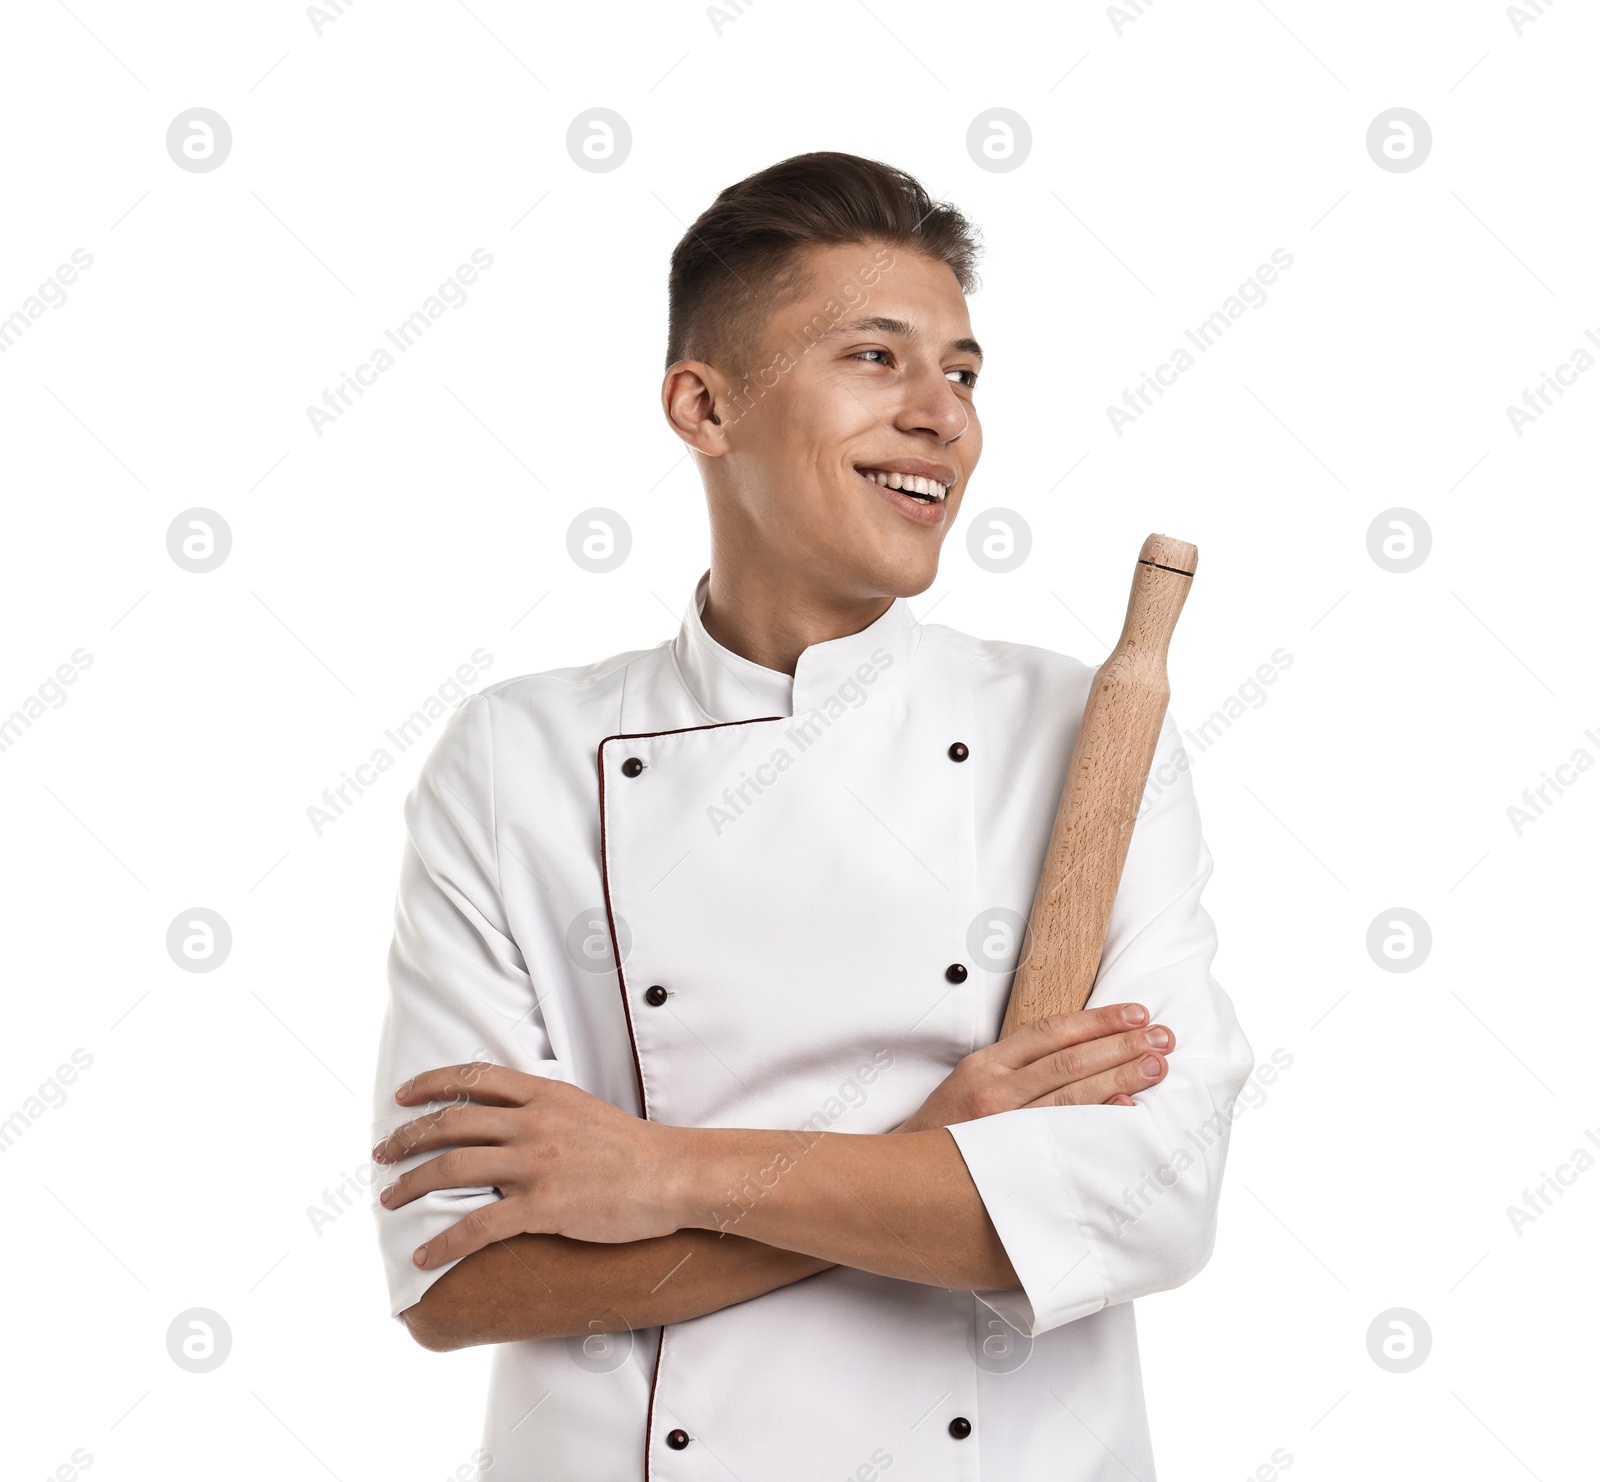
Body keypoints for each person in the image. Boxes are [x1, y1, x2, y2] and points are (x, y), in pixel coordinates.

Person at [369, 150, 1253, 1480]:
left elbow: (1147, 1199)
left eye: (960, 371)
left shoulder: (1081, 739)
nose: (941, 415)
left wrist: (659, 1171)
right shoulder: (518, 756)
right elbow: (455, 1277)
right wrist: (930, 1158)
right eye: (875, 357)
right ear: (703, 405)